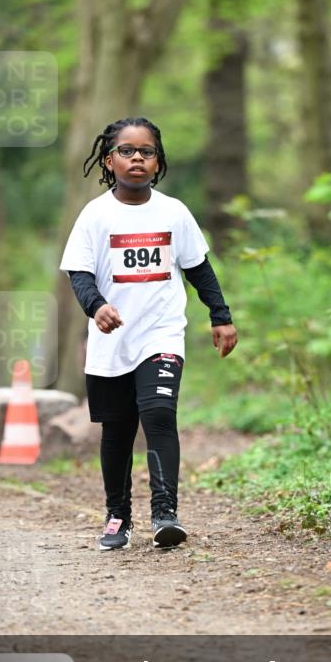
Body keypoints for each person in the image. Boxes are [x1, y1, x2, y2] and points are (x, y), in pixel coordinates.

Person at [60, 116, 238, 551]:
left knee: (159, 414)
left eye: (147, 151)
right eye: (127, 151)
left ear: (158, 163)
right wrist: (97, 307)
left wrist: (221, 315)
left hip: (161, 335)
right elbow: (80, 274)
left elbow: (199, 268)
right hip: (111, 340)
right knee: (118, 431)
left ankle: (165, 513)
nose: (137, 158)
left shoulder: (174, 212)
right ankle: (118, 516)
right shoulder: (95, 215)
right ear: (109, 160)